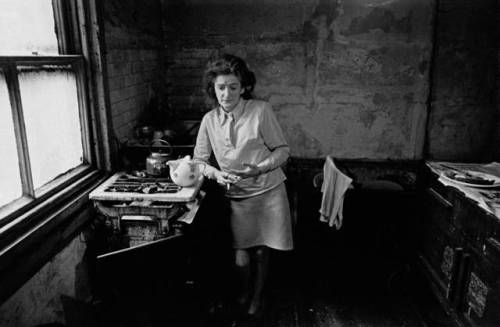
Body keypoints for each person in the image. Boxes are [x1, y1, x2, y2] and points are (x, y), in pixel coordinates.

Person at [193, 53, 293, 318]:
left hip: (269, 192)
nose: (227, 94)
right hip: (238, 197)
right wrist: (215, 174)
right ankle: (243, 292)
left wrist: (259, 168)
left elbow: (283, 150)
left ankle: (255, 299)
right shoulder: (209, 121)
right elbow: (199, 161)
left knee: (261, 252)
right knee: (241, 257)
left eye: (233, 87)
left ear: (244, 86)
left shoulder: (261, 110)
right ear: (213, 89)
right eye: (221, 87)